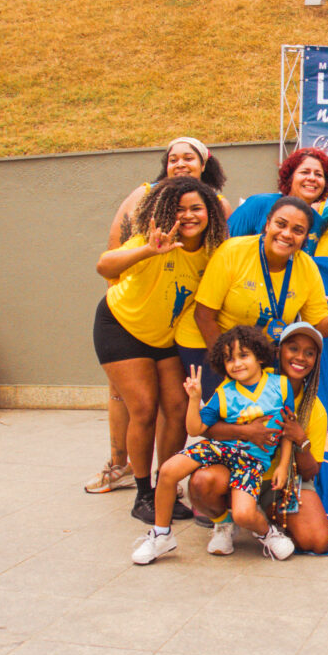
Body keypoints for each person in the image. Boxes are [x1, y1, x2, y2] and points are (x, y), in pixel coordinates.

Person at [87, 136, 230, 496]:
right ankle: (140, 488)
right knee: (144, 408)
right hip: (123, 324)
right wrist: (148, 252)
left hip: (167, 335)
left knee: (179, 407)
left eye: (196, 209)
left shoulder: (215, 245)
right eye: (173, 158)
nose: (188, 215)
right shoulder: (154, 227)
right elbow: (106, 264)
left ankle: (167, 481)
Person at [131, 326, 296, 565]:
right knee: (168, 470)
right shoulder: (223, 393)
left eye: (243, 355)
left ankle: (268, 533)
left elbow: (288, 429)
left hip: (252, 459)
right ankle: (161, 534)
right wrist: (194, 399)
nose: (236, 364)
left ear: (260, 356)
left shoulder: (280, 385)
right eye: (229, 359)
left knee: (244, 514)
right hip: (222, 449)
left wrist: (283, 465)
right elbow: (194, 429)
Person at [179, 196, 328, 396]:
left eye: (298, 230)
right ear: (267, 224)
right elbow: (203, 316)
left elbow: (317, 326)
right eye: (280, 224)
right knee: (229, 408)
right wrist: (232, 365)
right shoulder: (233, 251)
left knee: (264, 406)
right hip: (205, 341)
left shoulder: (307, 268)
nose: (287, 234)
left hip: (254, 353)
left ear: (305, 237)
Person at [190, 322, 328, 556]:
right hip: (238, 470)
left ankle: (263, 514)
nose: (300, 357)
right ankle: (225, 521)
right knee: (201, 482)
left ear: (316, 360)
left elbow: (310, 472)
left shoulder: (314, 408)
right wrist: (245, 432)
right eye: (293, 348)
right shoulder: (247, 377)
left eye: (309, 353)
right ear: (279, 352)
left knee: (318, 541)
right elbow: (206, 428)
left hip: (279, 483)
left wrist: (300, 440)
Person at [228, 148, 328, 253]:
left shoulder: (320, 225)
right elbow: (226, 243)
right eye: (305, 172)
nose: (312, 178)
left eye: (318, 175)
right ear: (290, 178)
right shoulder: (259, 204)